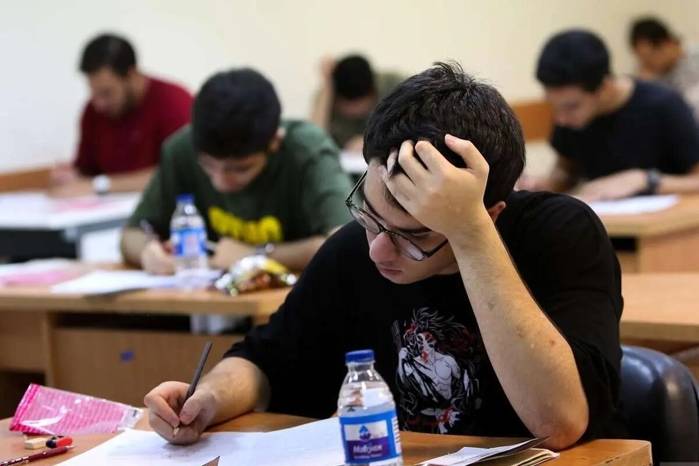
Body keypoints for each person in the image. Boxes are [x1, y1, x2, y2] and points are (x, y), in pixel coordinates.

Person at [145, 63, 626, 450]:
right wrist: (208, 398)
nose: (377, 248)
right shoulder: (353, 250)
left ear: (491, 214)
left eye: (412, 235)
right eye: (370, 216)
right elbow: (266, 359)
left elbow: (559, 423)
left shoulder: (559, 235)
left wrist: (471, 234)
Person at [121, 68, 352, 274]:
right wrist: (148, 252)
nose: (220, 182)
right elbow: (130, 235)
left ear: (274, 141)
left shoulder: (307, 150)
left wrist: (256, 255)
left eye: (240, 169)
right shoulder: (181, 148)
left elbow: (347, 245)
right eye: (208, 166)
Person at [525, 29, 699, 201]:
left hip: (672, 215)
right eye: (554, 107)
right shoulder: (568, 117)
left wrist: (645, 180)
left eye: (572, 107)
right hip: (606, 215)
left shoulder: (663, 104)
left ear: (605, 87)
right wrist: (541, 186)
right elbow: (566, 171)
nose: (561, 119)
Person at [50, 33, 192, 197]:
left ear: (131, 75)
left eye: (107, 93)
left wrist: (101, 185)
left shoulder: (174, 102)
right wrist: (70, 177)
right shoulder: (93, 111)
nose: (99, 104)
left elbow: (181, 172)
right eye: (94, 92)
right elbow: (86, 173)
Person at [310, 54, 403, 151]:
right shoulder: (328, 96)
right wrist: (328, 83)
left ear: (372, 93)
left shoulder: (393, 86)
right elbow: (313, 140)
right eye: (347, 106)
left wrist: (375, 141)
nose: (352, 111)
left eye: (357, 105)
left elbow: (412, 128)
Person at [630, 17, 699, 121]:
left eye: (648, 57)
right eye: (641, 60)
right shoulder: (653, 79)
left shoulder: (695, 57)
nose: (645, 65)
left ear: (667, 44)